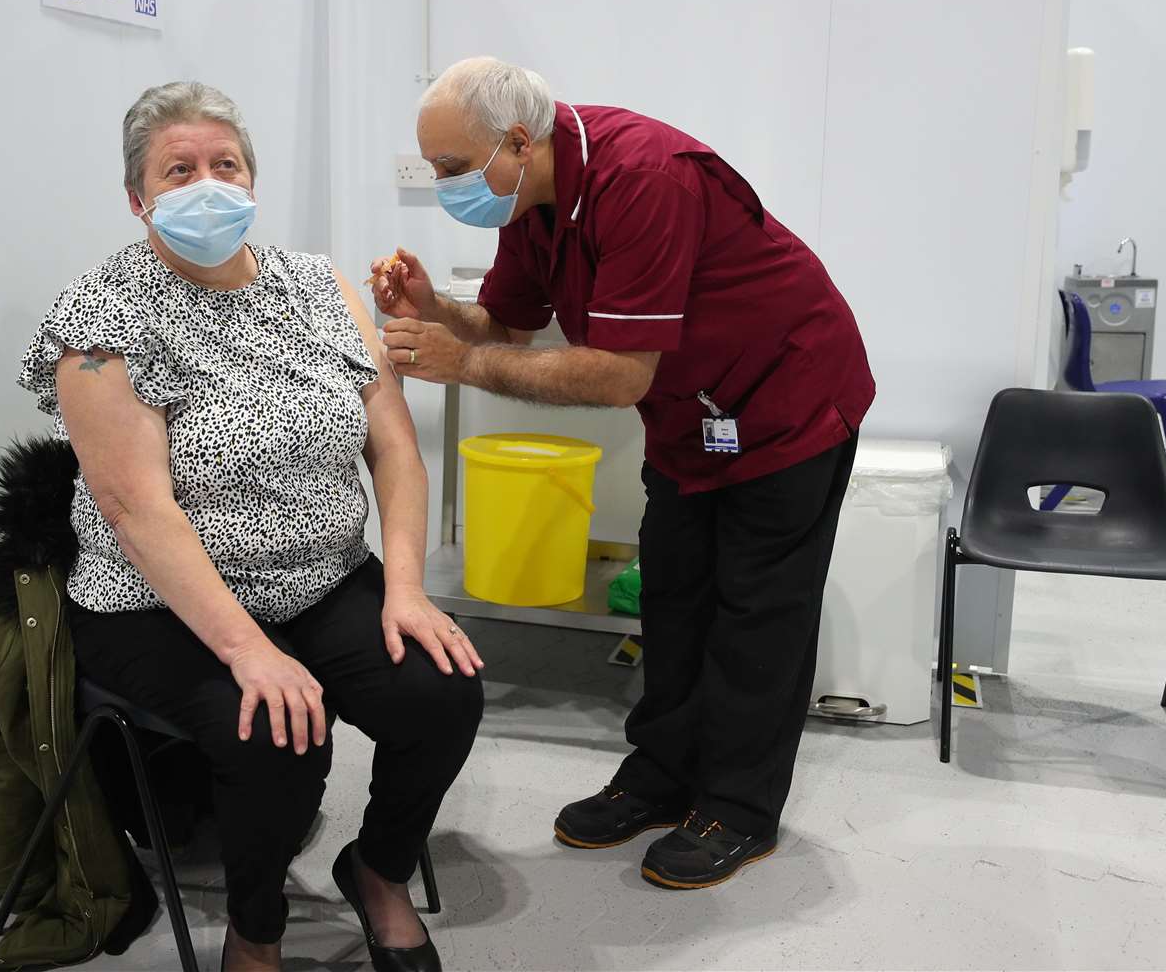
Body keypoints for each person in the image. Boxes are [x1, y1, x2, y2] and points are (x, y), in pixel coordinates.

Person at [374, 57, 875, 891]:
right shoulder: (532, 196)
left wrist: (461, 364)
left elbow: (617, 376)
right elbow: (507, 323)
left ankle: (740, 809)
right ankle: (663, 775)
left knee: (756, 614)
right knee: (675, 598)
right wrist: (436, 311)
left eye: (452, 169)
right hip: (695, 420)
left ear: (519, 142)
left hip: (788, 399)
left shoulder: (646, 177)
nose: (442, 186)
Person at [19, 81, 482, 972]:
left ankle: (377, 871)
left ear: (253, 179)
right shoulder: (102, 316)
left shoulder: (318, 287)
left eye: (224, 164)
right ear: (137, 198)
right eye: (178, 170)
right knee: (273, 727)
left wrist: (407, 588)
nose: (206, 183)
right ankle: (256, 931)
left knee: (443, 690)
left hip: (317, 575)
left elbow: (395, 452)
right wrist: (246, 649)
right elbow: (134, 508)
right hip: (155, 603)